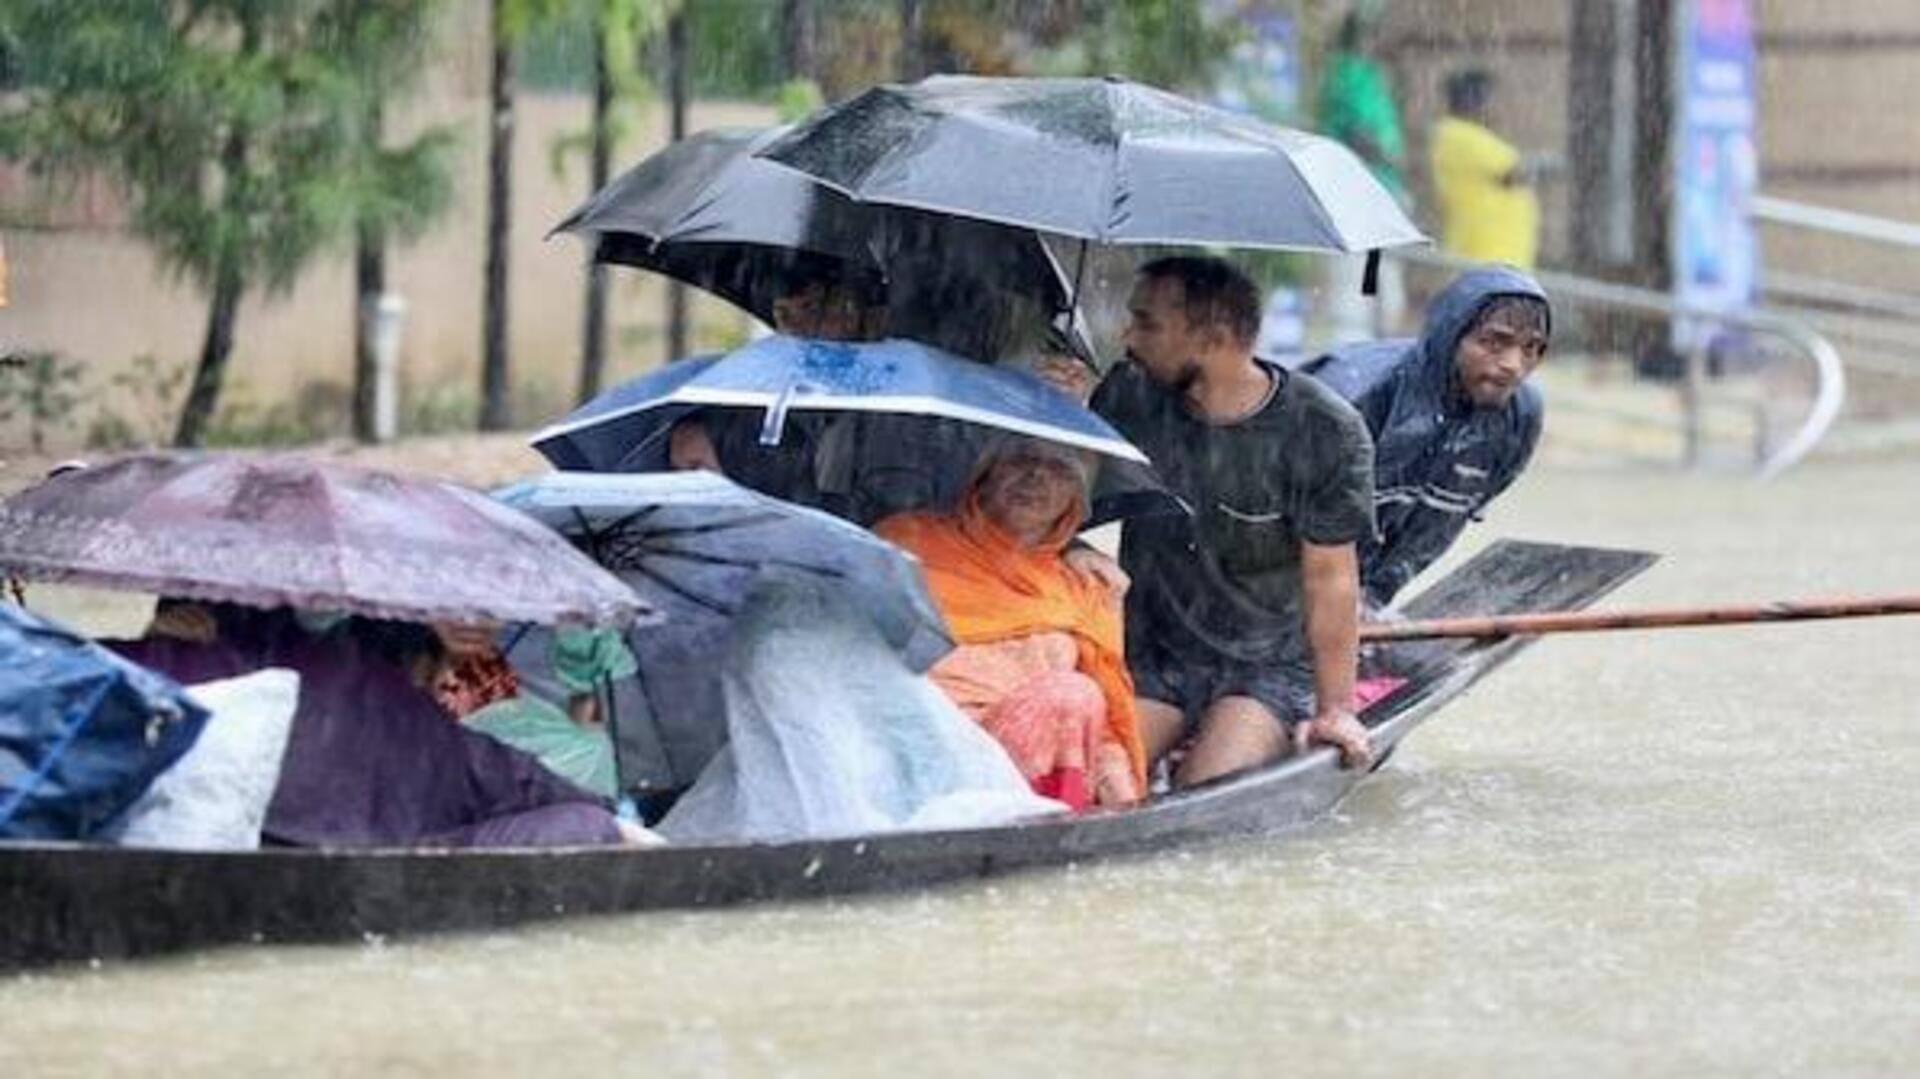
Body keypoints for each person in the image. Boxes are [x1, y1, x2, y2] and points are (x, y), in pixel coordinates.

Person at [1086, 256, 1378, 786]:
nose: (1128, 336)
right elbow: (1053, 506)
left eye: (1147, 323)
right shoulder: (1126, 396)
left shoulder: (1325, 430)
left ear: (1215, 339)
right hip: (1152, 658)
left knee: (1206, 793)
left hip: (1265, 669)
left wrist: (1336, 708)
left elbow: (1331, 579)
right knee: (1091, 783)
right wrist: (1056, 410)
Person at [876, 437, 1144, 811]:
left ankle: (1051, 839)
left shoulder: (1086, 582)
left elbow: (1104, 727)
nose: (1035, 476)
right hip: (917, 752)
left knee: (1072, 695)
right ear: (986, 474)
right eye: (1021, 459)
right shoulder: (908, 542)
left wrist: (1124, 809)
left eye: (1059, 468)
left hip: (1030, 786)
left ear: (1077, 500)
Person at [1304, 265, 1549, 613]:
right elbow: (1270, 521)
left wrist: (1370, 599)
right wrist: (1331, 603)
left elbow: (1436, 529)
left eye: (1532, 348)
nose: (1514, 364)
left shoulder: (1518, 417)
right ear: (1451, 335)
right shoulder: (1355, 397)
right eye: (1494, 342)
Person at [1315, 7, 1410, 340]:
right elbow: (1355, 131)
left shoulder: (1367, 73)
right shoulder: (1346, 73)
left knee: (1379, 284)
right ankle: (1354, 356)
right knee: (1358, 286)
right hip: (1358, 192)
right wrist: (1389, 158)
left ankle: (1372, 352)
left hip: (1378, 190)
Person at [1429, 68, 1543, 269]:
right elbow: (1516, 172)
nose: (1498, 106)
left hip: (1498, 258)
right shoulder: (1458, 133)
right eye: (1493, 98)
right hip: (1483, 256)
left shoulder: (1473, 136)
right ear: (1474, 101)